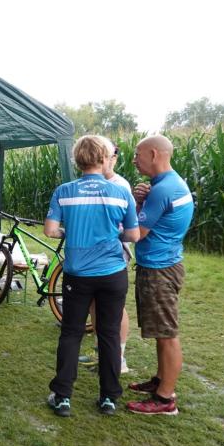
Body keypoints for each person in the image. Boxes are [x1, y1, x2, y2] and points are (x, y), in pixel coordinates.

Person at [44, 135, 140, 417]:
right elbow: (133, 234)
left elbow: (50, 230)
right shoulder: (120, 192)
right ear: (104, 158)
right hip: (112, 272)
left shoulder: (64, 191)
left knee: (71, 333)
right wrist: (112, 235)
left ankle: (63, 397)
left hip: (78, 274)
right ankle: (109, 398)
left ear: (78, 160)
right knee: (108, 334)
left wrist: (69, 232)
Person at [126, 135, 194, 416]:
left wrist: (132, 203)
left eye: (137, 154)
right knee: (161, 331)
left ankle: (165, 398)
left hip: (159, 270)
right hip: (166, 264)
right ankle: (160, 380)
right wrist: (142, 202)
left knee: (167, 334)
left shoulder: (163, 189)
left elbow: (137, 233)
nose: (134, 160)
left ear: (154, 154)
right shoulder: (169, 183)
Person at [84, 138, 135, 373]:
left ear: (112, 158)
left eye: (108, 155)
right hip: (91, 255)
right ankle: (101, 353)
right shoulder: (92, 184)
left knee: (114, 308)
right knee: (95, 304)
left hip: (113, 254)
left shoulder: (119, 185)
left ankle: (119, 358)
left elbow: (127, 227)